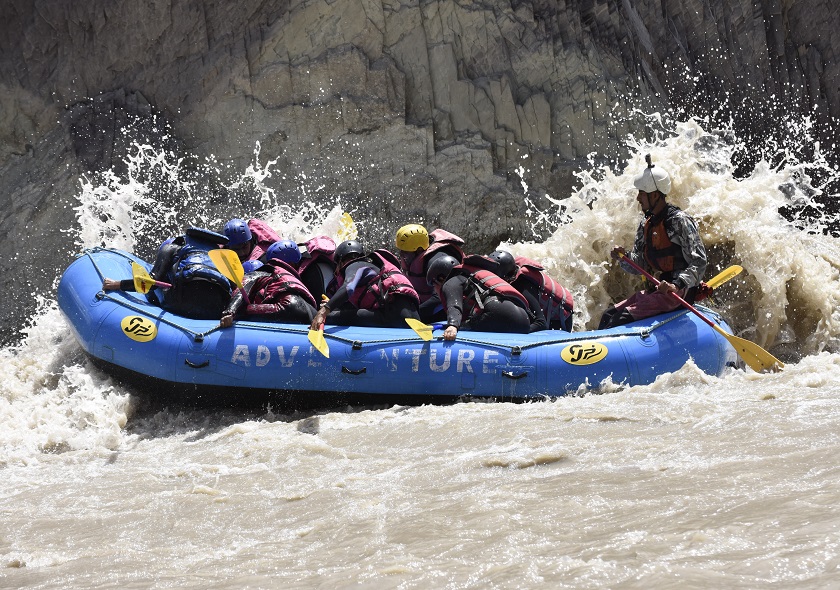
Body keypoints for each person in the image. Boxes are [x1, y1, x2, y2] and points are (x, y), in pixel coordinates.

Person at [598, 157, 708, 329]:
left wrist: (676, 284)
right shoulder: (646, 223)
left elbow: (699, 261)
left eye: (642, 193)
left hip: (678, 292)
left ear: (655, 195)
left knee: (619, 320)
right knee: (608, 316)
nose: (638, 198)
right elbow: (639, 264)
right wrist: (624, 257)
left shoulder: (679, 221)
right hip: (659, 291)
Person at [102, 227, 232, 320]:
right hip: (216, 311)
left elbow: (151, 282)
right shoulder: (223, 256)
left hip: (180, 304)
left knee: (154, 291)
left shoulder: (172, 246)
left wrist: (117, 284)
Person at [426, 253, 540, 341]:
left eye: (433, 285)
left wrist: (452, 326)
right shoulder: (475, 275)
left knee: (465, 326)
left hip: (498, 312)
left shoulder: (451, 282)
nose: (434, 290)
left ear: (441, 278)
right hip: (524, 321)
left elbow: (454, 305)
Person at [310, 240, 421, 329]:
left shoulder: (355, 265)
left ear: (340, 262)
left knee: (329, 317)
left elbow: (348, 288)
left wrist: (324, 311)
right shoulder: (371, 267)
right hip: (413, 319)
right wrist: (334, 305)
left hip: (392, 317)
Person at [220, 239, 317, 327]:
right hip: (310, 313)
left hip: (288, 306)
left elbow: (243, 288)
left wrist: (230, 311)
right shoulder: (289, 276)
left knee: (241, 311)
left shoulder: (262, 271)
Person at [488, 250, 574, 332]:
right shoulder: (513, 276)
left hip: (559, 322)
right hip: (545, 318)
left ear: (505, 277)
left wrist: (514, 334)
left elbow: (541, 323)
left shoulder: (523, 285)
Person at [395, 224, 465, 323]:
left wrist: (414, 315)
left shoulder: (438, 263)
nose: (402, 256)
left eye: (405, 253)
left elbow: (443, 296)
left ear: (419, 250)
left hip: (448, 310)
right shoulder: (419, 256)